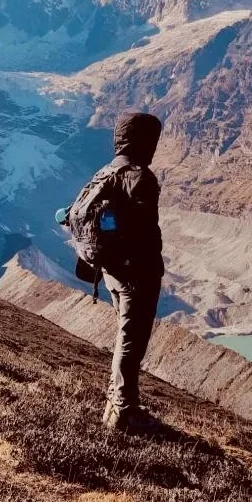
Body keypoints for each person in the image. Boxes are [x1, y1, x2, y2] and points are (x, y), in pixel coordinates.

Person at [93, 111, 165, 432]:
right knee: (131, 342)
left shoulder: (106, 170)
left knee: (125, 337)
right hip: (136, 275)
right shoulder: (140, 177)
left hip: (112, 272)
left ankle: (118, 402)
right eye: (151, 140)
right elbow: (145, 232)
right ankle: (123, 410)